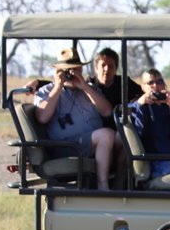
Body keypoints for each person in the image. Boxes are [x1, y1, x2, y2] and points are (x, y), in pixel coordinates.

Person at [33, 48, 116, 190]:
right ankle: (102, 185)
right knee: (106, 135)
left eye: (75, 69)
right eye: (67, 70)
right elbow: (42, 117)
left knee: (121, 139)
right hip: (66, 146)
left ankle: (122, 187)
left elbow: (107, 111)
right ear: (58, 70)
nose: (71, 74)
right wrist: (58, 86)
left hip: (91, 143)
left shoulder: (90, 89)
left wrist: (84, 86)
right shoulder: (47, 91)